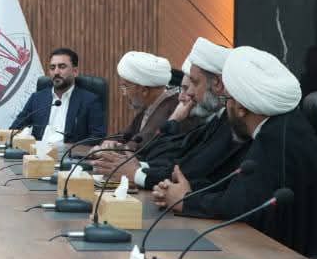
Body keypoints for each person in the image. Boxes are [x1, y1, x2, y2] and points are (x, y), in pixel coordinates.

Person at [158, 45, 317, 257]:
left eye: (227, 100)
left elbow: (238, 207)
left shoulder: (274, 141)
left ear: (241, 108)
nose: (226, 108)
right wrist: (191, 191)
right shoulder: (286, 127)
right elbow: (241, 192)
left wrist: (185, 200)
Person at [100, 38, 248, 189]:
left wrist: (137, 173)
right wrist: (139, 166)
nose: (188, 94)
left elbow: (190, 172)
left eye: (194, 83)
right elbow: (176, 162)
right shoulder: (217, 119)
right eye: (183, 88)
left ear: (217, 83)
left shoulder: (231, 123)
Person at [8, 47, 105, 144]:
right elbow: (14, 130)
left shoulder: (90, 101)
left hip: (70, 152)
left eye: (62, 67)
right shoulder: (37, 98)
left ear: (75, 72)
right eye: (52, 68)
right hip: (39, 151)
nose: (56, 72)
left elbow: (97, 137)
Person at [116, 51, 180, 146]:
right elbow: (125, 134)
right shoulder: (150, 103)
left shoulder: (169, 108)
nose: (124, 93)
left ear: (144, 90)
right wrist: (111, 142)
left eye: (125, 87)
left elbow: (140, 145)